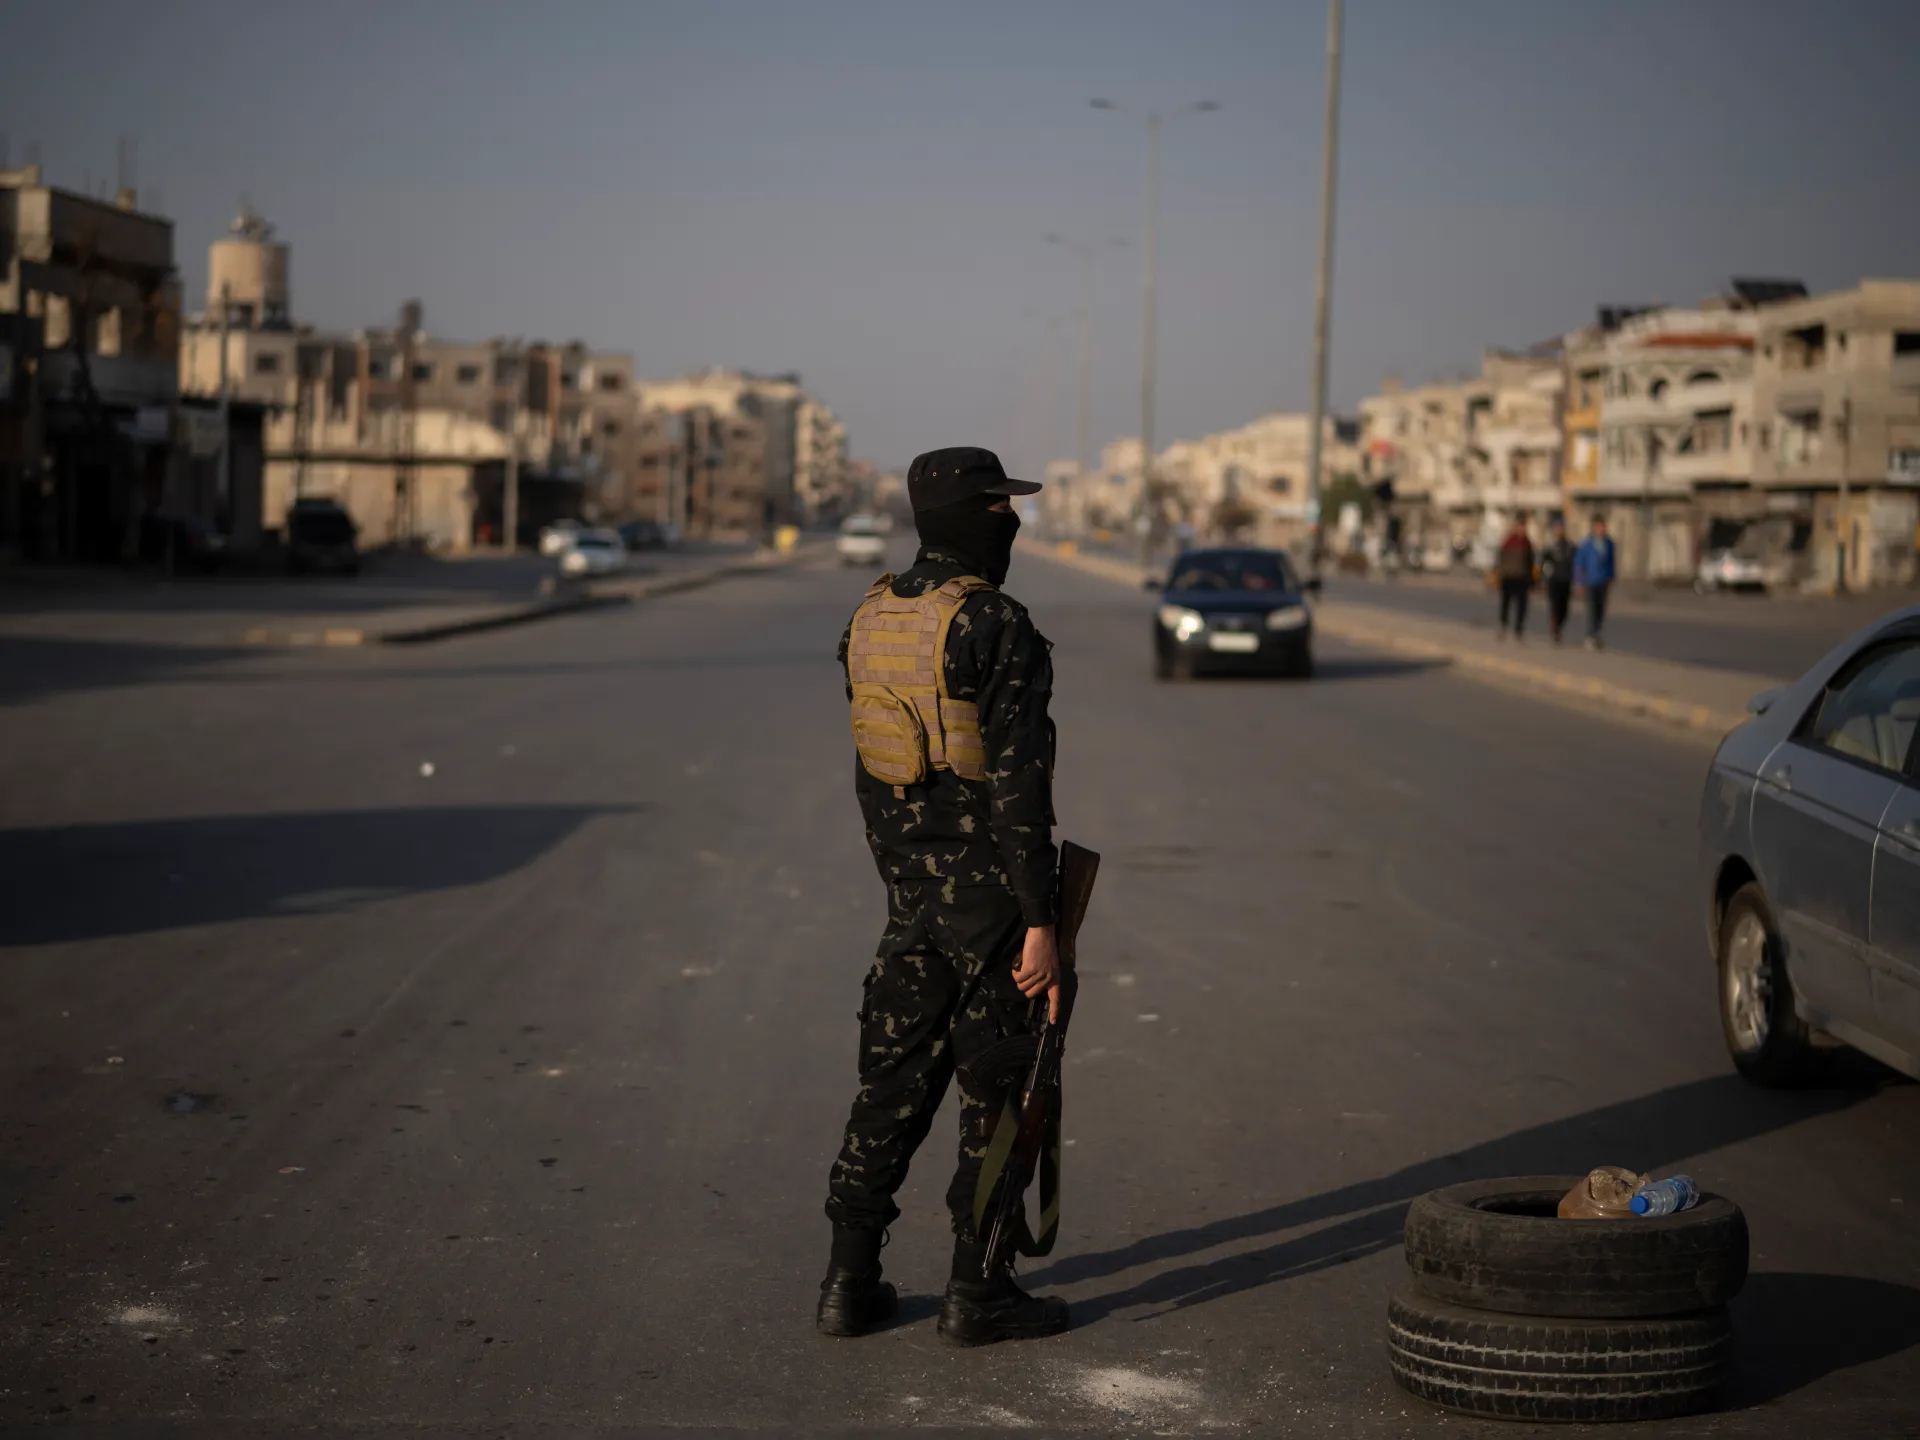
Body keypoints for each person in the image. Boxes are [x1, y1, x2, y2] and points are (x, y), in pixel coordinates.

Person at [819, 446, 1070, 1348]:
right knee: (1000, 1089)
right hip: (994, 906)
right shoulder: (994, 621)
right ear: (973, 515)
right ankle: (979, 1289)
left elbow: (874, 777)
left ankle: (849, 1283)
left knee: (890, 1082)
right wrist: (1040, 921)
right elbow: (1018, 790)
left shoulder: (872, 616)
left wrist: (910, 877)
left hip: (910, 896)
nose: (1014, 520)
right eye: (1002, 505)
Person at [1573, 515, 1617, 649]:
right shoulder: (1586, 544)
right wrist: (1579, 582)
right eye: (1598, 526)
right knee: (1591, 609)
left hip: (1603, 581)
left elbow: (1611, 563)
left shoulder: (1609, 544)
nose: (1601, 529)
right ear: (1594, 527)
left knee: (1600, 609)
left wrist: (1611, 576)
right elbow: (1579, 564)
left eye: (1603, 526)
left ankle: (1597, 633)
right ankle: (1590, 635)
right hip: (1590, 581)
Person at [1494, 514, 1535, 641]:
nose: (1521, 530)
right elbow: (1500, 558)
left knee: (1522, 606)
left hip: (1522, 578)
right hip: (1508, 577)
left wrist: (1532, 579)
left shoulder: (1527, 543)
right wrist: (1499, 573)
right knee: (1506, 604)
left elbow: (1531, 562)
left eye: (1523, 527)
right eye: (1520, 527)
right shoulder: (1508, 541)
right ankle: (1503, 625)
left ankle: (1519, 629)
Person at [1539, 517, 1578, 645]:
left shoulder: (1570, 546)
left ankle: (1558, 627)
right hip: (1553, 581)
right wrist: (1543, 580)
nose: (1559, 531)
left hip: (1566, 580)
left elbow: (1575, 563)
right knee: (1554, 607)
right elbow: (1544, 565)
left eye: (1561, 528)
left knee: (1564, 609)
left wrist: (1577, 580)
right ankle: (1555, 630)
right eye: (1557, 528)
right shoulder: (1550, 547)